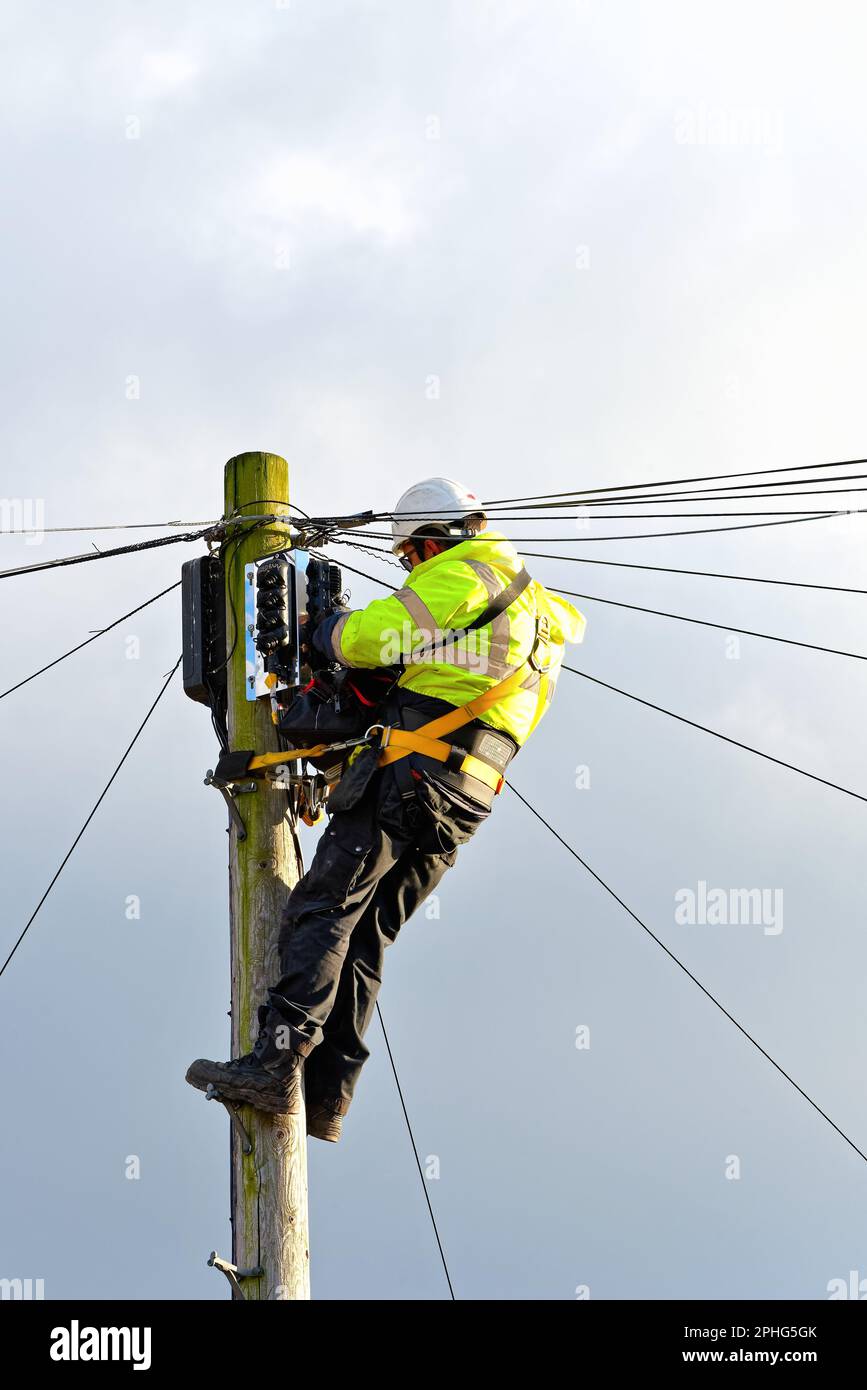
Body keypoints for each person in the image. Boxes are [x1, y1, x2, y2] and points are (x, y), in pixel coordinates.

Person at [186, 478, 585, 1141]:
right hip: (468, 793)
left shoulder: (465, 573)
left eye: (408, 557)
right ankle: (325, 1099)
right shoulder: (537, 607)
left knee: (324, 910)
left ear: (429, 540)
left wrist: (325, 631)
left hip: (414, 773)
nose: (409, 566)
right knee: (366, 936)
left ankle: (273, 1065)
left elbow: (377, 637)